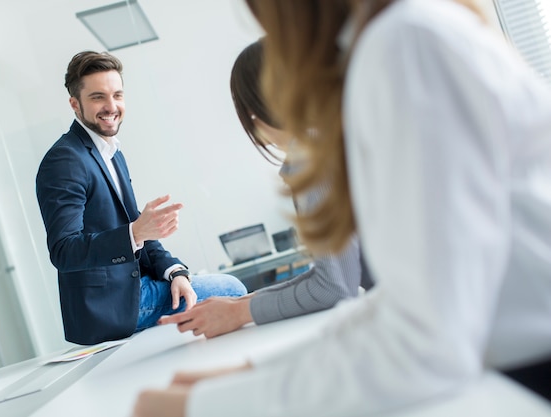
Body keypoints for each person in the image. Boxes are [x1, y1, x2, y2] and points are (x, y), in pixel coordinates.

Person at [132, 0, 551, 416]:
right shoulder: (399, 40)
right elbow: (404, 301)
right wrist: (249, 371)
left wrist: (210, 405)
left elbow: (426, 340)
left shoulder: (402, 44)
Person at [158, 40, 372, 339]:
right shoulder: (333, 136)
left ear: (258, 108)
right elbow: (332, 274)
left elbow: (333, 287)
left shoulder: (309, 157)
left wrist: (237, 313)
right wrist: (241, 302)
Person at [35, 51, 246, 346]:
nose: (111, 106)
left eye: (117, 95)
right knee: (231, 289)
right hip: (111, 306)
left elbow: (138, 228)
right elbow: (64, 251)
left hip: (135, 288)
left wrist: (175, 271)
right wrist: (134, 233)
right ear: (75, 104)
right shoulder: (65, 161)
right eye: (98, 97)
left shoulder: (111, 153)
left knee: (209, 288)